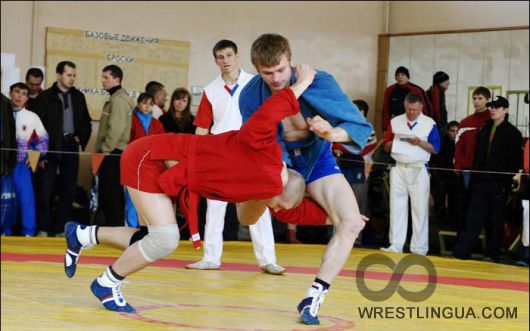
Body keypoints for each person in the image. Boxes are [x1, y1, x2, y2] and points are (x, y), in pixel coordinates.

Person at [63, 65, 316, 314]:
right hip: (150, 157)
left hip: (158, 162)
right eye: (279, 206)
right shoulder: (266, 156)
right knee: (164, 239)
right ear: (283, 189)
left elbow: (245, 217)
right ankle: (107, 283)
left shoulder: (260, 188)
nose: (275, 211)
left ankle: (83, 235)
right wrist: (303, 82)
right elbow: (271, 110)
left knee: (148, 239)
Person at [239, 33, 371, 325]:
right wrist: (277, 171)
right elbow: (258, 140)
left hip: (316, 157)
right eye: (267, 73)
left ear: (291, 60)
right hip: (273, 158)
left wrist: (331, 133)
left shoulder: (320, 80)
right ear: (257, 70)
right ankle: (270, 201)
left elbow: (358, 125)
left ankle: (313, 298)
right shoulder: (250, 95)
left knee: (350, 223)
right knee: (253, 214)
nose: (275, 78)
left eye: (281, 70)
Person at [186, 39, 284, 275]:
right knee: (215, 206)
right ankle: (210, 257)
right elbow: (201, 128)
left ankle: (268, 259)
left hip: (251, 152)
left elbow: (272, 116)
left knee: (258, 206)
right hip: (219, 153)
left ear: (237, 56)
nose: (225, 61)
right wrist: (194, 158)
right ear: (215, 60)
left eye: (229, 55)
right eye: (220, 57)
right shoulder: (210, 90)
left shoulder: (256, 83)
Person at [453, 96, 523, 262]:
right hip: (480, 181)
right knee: (473, 218)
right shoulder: (485, 129)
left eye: (497, 107)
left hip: (498, 184)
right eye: (491, 106)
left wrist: (505, 183)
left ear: (505, 110)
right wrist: (476, 177)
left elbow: (514, 161)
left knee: (495, 221)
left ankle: (492, 255)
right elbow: (478, 155)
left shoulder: (513, 133)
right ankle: (462, 253)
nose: (492, 109)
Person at [34, 61, 92, 237]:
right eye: (68, 75)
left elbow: (85, 121)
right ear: (59, 75)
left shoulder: (78, 96)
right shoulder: (46, 97)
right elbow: (37, 127)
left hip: (70, 145)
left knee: (68, 189)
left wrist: (80, 136)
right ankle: (43, 228)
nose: (72, 78)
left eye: (74, 75)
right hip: (50, 146)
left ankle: (62, 228)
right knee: (45, 189)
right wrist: (41, 153)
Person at [381, 92, 440, 256]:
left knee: (419, 208)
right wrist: (396, 141)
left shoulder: (429, 123)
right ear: (404, 107)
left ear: (421, 107)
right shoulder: (395, 121)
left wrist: (419, 142)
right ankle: (396, 244)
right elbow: (385, 145)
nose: (411, 112)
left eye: (414, 109)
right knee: (396, 206)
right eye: (408, 109)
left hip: (419, 167)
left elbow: (436, 149)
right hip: (398, 166)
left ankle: (419, 248)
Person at [3, 83, 48, 236]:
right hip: (2, 164)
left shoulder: (32, 117)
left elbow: (44, 141)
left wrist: (35, 155)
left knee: (26, 200)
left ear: (27, 98)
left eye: (23, 93)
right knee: (4, 199)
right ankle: (4, 231)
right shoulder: (2, 112)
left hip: (21, 165)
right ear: (10, 93)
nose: (19, 96)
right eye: (17, 92)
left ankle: (28, 232)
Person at [94, 64, 135, 227]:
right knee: (109, 194)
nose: (103, 81)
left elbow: (115, 130)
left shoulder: (118, 100)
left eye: (106, 78)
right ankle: (111, 228)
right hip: (111, 152)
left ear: (117, 80)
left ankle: (114, 229)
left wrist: (103, 152)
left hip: (113, 153)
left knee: (111, 195)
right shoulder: (115, 98)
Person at [124, 93, 165, 228]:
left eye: (150, 104)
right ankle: (131, 226)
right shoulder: (131, 120)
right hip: (133, 164)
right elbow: (127, 142)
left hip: (150, 166)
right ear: (138, 104)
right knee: (131, 198)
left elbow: (161, 145)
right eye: (144, 103)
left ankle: (145, 228)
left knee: (147, 198)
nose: (147, 107)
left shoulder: (157, 124)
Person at [453, 87, 491, 231]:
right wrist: (458, 164)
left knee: (484, 206)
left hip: (486, 172)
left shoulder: (493, 121)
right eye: (474, 98)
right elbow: (458, 147)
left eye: (480, 98)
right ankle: (465, 239)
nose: (476, 101)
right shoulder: (465, 122)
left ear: (488, 100)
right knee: (466, 205)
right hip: (467, 171)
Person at [382, 66, 432, 133]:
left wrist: (423, 125)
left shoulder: (415, 90)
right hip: (396, 122)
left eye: (403, 75)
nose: (400, 77)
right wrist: (385, 128)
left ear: (407, 77)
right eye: (398, 75)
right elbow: (386, 110)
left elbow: (423, 109)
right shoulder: (390, 90)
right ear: (395, 77)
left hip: (413, 122)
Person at [430, 120, 459, 227]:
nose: (454, 134)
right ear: (447, 131)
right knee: (439, 207)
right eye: (452, 131)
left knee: (454, 205)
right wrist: (437, 177)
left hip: (452, 178)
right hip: (440, 178)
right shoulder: (441, 144)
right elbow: (434, 161)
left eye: (457, 131)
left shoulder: (459, 144)